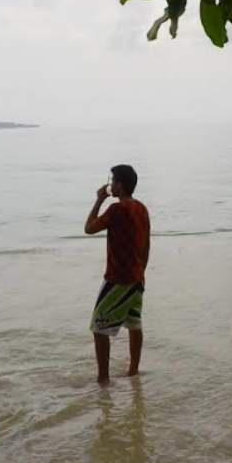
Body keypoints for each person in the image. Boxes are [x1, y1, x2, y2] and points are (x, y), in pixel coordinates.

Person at [84, 164, 150, 386]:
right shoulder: (141, 208)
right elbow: (147, 244)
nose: (111, 184)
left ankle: (103, 379)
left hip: (118, 277)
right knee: (134, 322)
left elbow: (89, 228)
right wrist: (141, 271)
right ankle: (133, 371)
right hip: (137, 276)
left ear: (120, 185)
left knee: (99, 327)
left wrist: (99, 199)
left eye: (113, 181)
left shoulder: (116, 209)